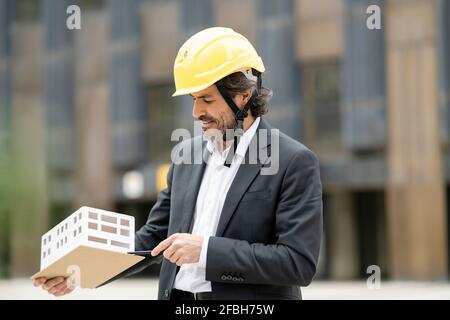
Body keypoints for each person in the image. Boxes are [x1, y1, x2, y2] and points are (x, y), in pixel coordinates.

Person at [34, 27, 323, 300]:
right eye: (194, 99)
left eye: (207, 100)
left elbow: (297, 263)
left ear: (244, 95)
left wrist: (206, 251)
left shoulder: (294, 161)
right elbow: (155, 236)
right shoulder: (186, 155)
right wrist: (84, 270)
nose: (197, 112)